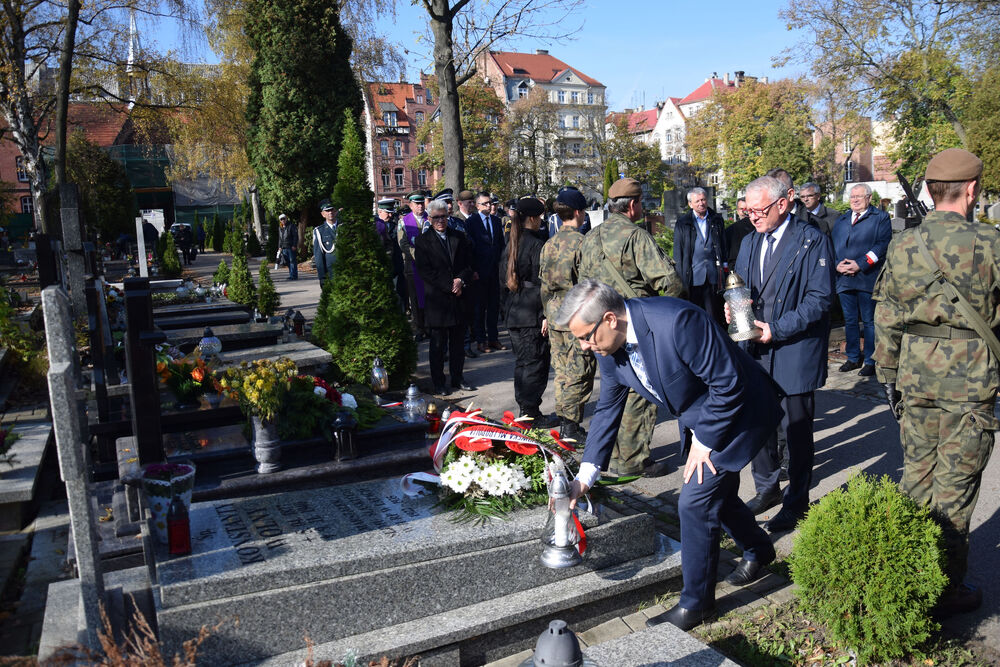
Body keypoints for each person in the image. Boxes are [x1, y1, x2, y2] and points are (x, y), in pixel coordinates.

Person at [559, 279, 782, 631]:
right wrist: (585, 477)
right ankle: (759, 548)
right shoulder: (610, 349)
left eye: (586, 336)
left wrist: (704, 439)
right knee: (714, 497)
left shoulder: (676, 322)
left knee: (694, 502)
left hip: (740, 410)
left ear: (609, 319)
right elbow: (607, 409)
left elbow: (728, 383)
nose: (585, 347)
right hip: (703, 414)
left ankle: (697, 605)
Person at [873, 148, 997, 616]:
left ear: (928, 191)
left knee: (917, 478)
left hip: (916, 379)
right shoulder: (991, 242)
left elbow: (885, 314)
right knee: (955, 486)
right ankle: (945, 588)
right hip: (971, 382)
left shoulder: (904, 244)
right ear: (972, 190)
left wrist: (887, 374)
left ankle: (909, 578)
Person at [732, 175, 834, 532]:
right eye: (748, 210)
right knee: (759, 424)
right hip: (755, 351)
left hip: (794, 350)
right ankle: (767, 488)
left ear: (783, 202)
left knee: (796, 430)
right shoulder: (748, 241)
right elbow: (740, 287)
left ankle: (797, 501)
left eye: (759, 210)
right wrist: (734, 309)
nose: (753, 217)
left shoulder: (811, 241)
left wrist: (777, 329)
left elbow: (819, 301)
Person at [577, 177, 684, 478]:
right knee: (641, 393)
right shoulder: (636, 236)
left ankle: (610, 455)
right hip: (635, 328)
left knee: (613, 394)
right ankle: (634, 459)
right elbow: (671, 282)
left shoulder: (590, 238)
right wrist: (665, 318)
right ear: (634, 205)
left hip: (600, 329)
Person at [540, 185, 596, 440]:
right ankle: (571, 427)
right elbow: (589, 285)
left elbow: (543, 287)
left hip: (554, 315)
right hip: (576, 317)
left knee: (562, 371)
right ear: (577, 212)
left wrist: (545, 315)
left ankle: (565, 420)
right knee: (579, 372)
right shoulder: (582, 243)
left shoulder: (548, 245)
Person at [500, 196, 554, 426]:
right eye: (540, 217)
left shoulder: (512, 241)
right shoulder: (535, 244)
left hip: (515, 312)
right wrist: (544, 315)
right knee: (535, 364)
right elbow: (543, 281)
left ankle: (526, 410)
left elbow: (501, 281)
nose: (541, 221)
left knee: (524, 363)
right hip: (531, 313)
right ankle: (530, 414)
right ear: (532, 218)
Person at [415, 199, 475, 395]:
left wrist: (460, 281)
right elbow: (425, 271)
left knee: (458, 344)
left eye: (444, 216)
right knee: (438, 346)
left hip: (459, 299)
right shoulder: (423, 241)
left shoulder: (458, 236)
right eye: (436, 217)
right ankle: (439, 382)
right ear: (430, 219)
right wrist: (449, 285)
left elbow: (468, 265)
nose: (441, 220)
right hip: (438, 301)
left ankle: (457, 378)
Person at [832, 183, 892, 377]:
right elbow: (831, 247)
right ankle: (852, 357)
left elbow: (882, 245)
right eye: (852, 197)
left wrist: (860, 264)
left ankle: (870, 360)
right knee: (849, 320)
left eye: (859, 196)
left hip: (867, 278)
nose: (855, 200)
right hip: (844, 279)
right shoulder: (841, 221)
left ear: (869, 198)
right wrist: (836, 265)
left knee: (868, 321)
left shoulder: (880, 218)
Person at [673, 187, 727, 327]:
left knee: (714, 315)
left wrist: (725, 268)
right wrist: (680, 279)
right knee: (696, 315)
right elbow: (678, 252)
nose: (701, 203)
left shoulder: (716, 220)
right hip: (693, 277)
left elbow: (723, 245)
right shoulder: (683, 223)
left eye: (703, 200)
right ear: (690, 204)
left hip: (713, 275)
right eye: (697, 201)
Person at [468, 192, 506, 354]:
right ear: (477, 206)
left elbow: (500, 245)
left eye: (490, 203)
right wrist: (473, 270)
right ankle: (481, 340)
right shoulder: (471, 222)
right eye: (485, 203)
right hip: (479, 272)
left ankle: (493, 338)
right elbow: (469, 249)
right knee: (479, 307)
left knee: (493, 306)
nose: (489, 206)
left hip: (494, 270)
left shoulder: (497, 221)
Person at [399, 192, 429, 339]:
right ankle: (419, 328)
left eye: (422, 203)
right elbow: (403, 243)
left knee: (429, 296)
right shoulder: (404, 222)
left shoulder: (429, 219)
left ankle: (429, 325)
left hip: (429, 266)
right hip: (412, 266)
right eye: (417, 203)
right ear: (410, 205)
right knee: (415, 299)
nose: (420, 206)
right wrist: (418, 256)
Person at [313, 199, 338, 282]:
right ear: (323, 214)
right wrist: (323, 279)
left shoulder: (344, 227)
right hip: (331, 273)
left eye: (332, 210)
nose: (330, 212)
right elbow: (319, 258)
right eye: (327, 211)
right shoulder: (319, 231)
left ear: (336, 211)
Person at [725, 198, 754, 266]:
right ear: (737, 211)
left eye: (747, 209)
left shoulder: (759, 228)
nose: (745, 212)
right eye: (742, 209)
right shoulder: (730, 231)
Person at [278, 213, 299, 280]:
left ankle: (294, 276)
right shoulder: (280, 228)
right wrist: (279, 247)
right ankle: (291, 274)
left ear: (286, 219)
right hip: (284, 247)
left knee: (292, 261)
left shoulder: (291, 226)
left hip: (290, 247)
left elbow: (295, 236)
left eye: (284, 218)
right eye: (281, 219)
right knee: (287, 262)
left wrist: (294, 245)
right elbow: (280, 238)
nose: (283, 220)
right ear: (280, 220)